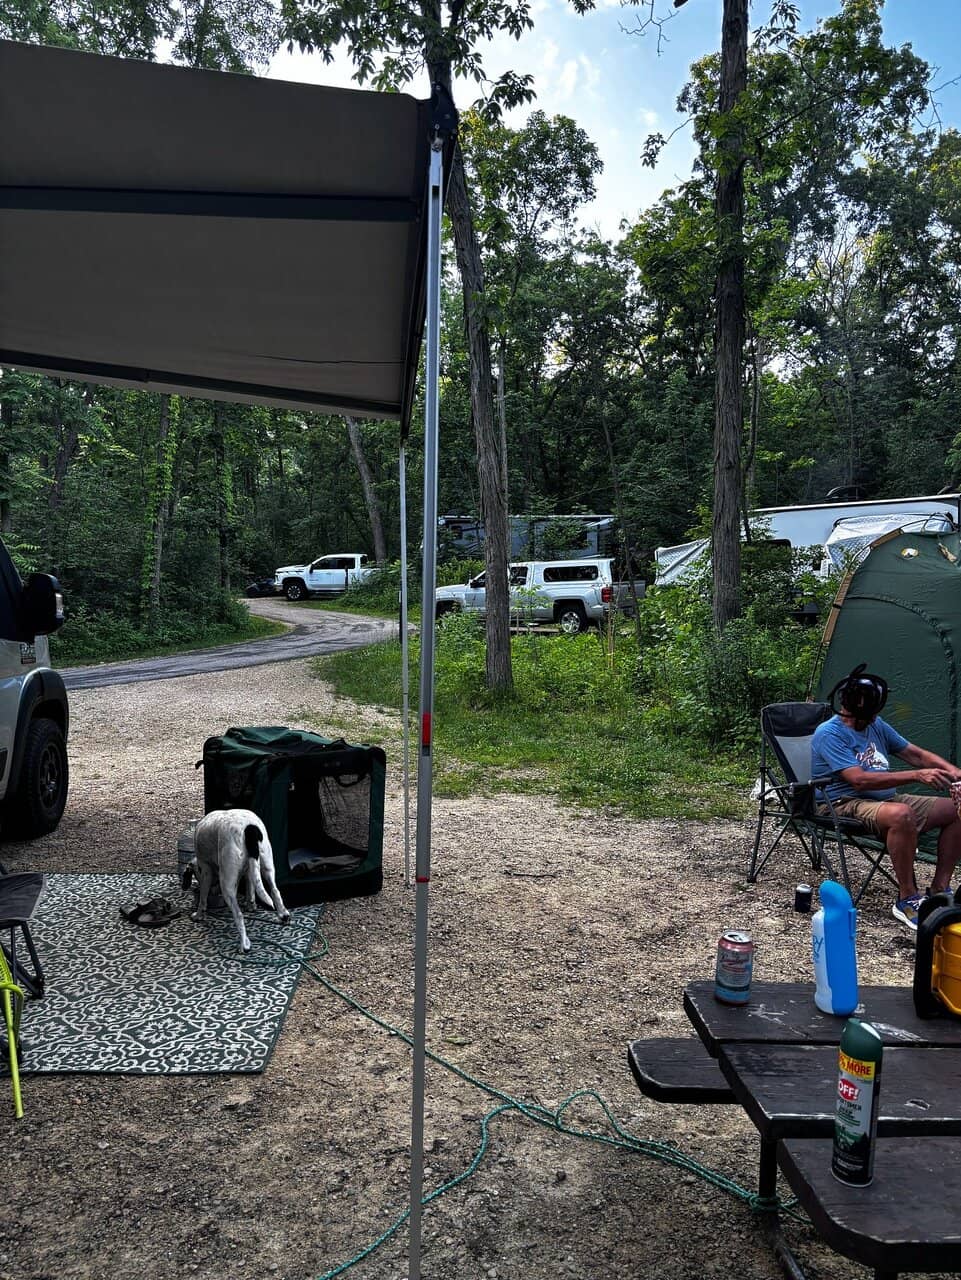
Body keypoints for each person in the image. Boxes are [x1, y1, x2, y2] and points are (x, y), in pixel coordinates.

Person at [811, 663, 961, 930]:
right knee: (901, 815)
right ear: (857, 708)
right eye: (871, 712)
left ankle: (940, 889)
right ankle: (907, 898)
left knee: (956, 810)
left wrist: (954, 772)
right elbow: (858, 780)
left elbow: (915, 754)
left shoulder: (876, 724)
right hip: (841, 803)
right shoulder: (830, 733)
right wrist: (917, 776)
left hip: (884, 799)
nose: (875, 717)